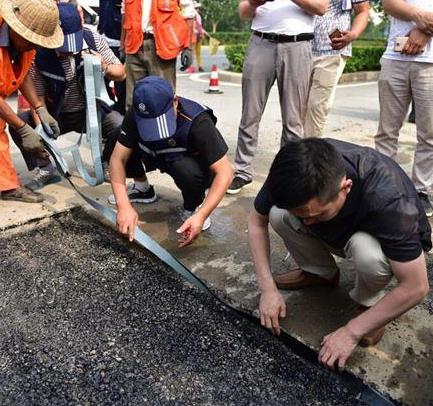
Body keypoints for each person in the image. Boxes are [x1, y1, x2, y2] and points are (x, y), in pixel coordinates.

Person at [248, 138, 430, 369]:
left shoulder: (389, 200)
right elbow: (256, 222)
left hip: (375, 240)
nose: (307, 223)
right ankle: (320, 274)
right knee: (278, 214)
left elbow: (416, 286)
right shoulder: (291, 172)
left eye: (316, 214)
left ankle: (368, 303)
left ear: (346, 187)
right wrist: (267, 289)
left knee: (368, 253)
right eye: (303, 215)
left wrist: (351, 333)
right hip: (339, 231)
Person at [9, 3, 126, 191]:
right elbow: (36, 97)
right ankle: (46, 168)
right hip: (57, 115)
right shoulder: (39, 52)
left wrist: (103, 67)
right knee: (20, 125)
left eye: (74, 45)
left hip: (91, 112)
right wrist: (41, 125)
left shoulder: (92, 39)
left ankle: (106, 163)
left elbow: (121, 73)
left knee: (120, 125)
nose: (71, 51)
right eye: (65, 46)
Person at [108, 76, 233, 246]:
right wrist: (123, 206)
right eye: (149, 124)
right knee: (115, 140)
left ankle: (193, 208)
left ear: (175, 101)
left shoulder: (198, 121)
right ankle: (142, 188)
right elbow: (117, 159)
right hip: (156, 154)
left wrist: (202, 214)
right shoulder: (136, 114)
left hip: (186, 162)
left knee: (186, 170)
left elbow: (225, 172)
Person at [226, 0, 329, 195]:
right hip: (260, 42)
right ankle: (242, 170)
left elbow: (321, 7)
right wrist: (256, 3)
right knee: (250, 114)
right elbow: (243, 12)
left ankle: (289, 173)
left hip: (297, 45)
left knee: (293, 119)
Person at [0, 0, 63, 203]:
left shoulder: (26, 44)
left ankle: (7, 187)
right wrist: (23, 128)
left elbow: (22, 73)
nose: (34, 46)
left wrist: (39, 107)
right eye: (30, 41)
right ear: (14, 27)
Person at [375, 0, 433, 217]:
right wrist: (422, 19)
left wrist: (424, 32)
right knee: (386, 132)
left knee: (429, 135)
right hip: (395, 57)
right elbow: (389, 4)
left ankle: (421, 190)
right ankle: (383, 184)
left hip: (431, 63)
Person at [303, 0, 369, 137]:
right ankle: (292, 151)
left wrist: (354, 34)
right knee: (296, 106)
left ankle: (310, 154)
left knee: (317, 106)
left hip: (332, 50)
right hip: (299, 47)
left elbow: (363, 11)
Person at [121, 0, 196, 108]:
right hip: (134, 46)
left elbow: (188, 13)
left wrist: (188, 47)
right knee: (133, 100)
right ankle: (133, 125)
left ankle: (165, 124)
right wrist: (122, 45)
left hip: (162, 46)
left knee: (163, 98)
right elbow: (125, 12)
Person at [98, 0, 126, 114]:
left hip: (120, 41)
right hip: (104, 38)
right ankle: (109, 112)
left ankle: (121, 115)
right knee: (102, 84)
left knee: (122, 85)